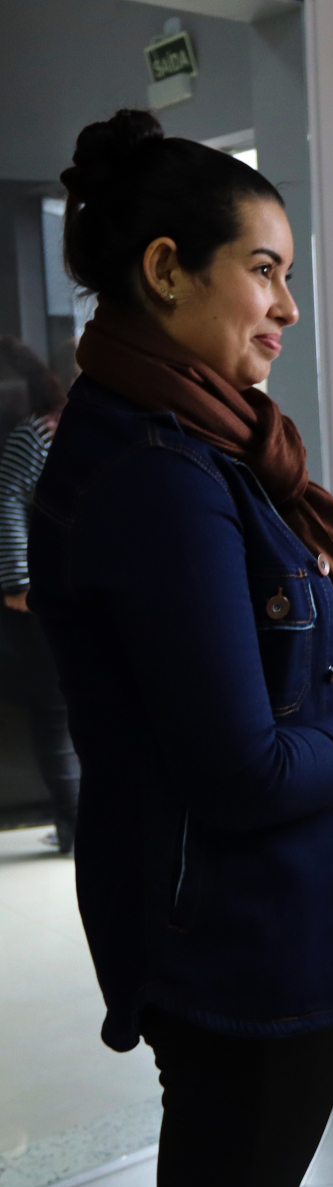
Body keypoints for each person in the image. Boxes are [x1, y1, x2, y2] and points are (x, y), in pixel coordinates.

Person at [29, 109, 333, 1187]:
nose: (288, 306)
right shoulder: (157, 477)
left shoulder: (203, 447)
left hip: (245, 916)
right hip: (234, 939)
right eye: (265, 271)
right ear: (165, 270)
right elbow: (244, 769)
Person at [0, 339, 79, 851]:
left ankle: (78, 825)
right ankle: (77, 824)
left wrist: (17, 584)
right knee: (61, 710)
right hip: (57, 593)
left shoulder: (40, 430)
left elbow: (6, 502)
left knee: (59, 712)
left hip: (56, 593)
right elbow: (7, 503)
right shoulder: (52, 427)